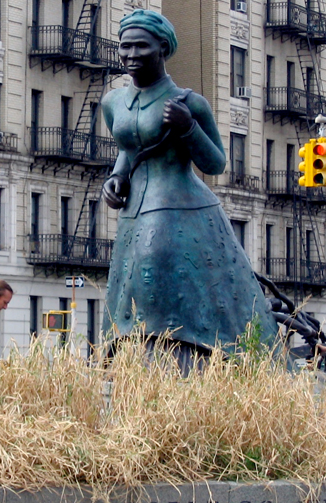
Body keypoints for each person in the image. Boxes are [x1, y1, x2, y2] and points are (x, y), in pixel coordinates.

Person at [100, 9, 279, 372]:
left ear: (162, 48)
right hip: (134, 214)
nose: (131, 55)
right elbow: (128, 149)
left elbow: (215, 163)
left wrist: (187, 129)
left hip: (179, 210)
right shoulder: (113, 101)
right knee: (131, 294)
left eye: (140, 47)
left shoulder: (189, 102)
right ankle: (138, 371)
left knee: (165, 295)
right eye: (125, 47)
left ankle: (182, 366)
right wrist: (116, 178)